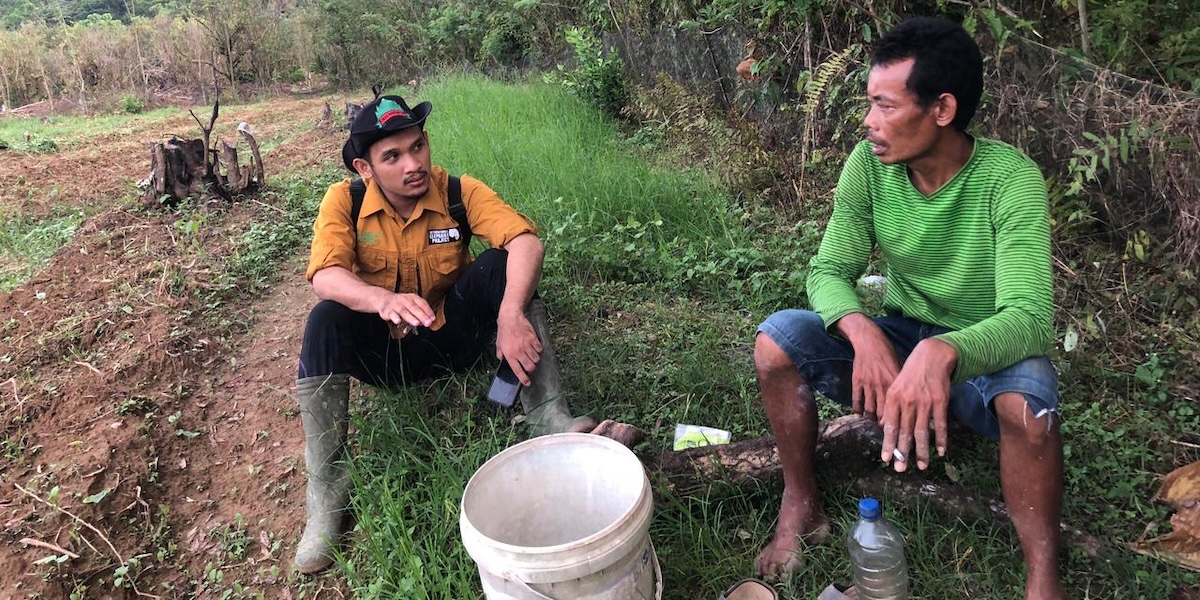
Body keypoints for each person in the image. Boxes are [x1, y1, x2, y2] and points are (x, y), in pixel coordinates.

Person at [752, 17, 1064, 599]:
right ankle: (801, 501)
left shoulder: (1010, 180)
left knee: (1028, 407)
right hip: (899, 337)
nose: (868, 122)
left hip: (979, 352)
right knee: (776, 343)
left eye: (884, 106)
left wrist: (943, 350)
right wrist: (863, 332)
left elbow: (1028, 316)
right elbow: (827, 273)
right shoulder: (869, 166)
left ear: (941, 110)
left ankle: (1042, 573)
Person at [293, 94, 596, 574]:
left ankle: (542, 413)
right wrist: (381, 300)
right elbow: (325, 276)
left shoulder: (457, 192)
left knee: (504, 268)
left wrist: (511, 313)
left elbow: (525, 241)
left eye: (418, 146)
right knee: (325, 318)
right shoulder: (344, 202)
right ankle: (327, 493)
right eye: (392, 157)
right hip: (386, 355)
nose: (413, 164)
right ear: (364, 167)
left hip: (454, 339)